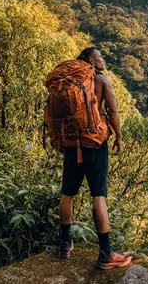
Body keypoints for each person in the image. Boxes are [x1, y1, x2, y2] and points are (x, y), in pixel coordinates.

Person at [57, 47, 132, 270]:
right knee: (99, 195)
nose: (104, 59)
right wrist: (118, 137)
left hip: (72, 142)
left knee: (67, 193)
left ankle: (63, 244)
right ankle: (106, 253)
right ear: (92, 59)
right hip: (94, 143)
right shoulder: (101, 80)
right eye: (101, 57)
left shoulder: (68, 79)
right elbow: (113, 111)